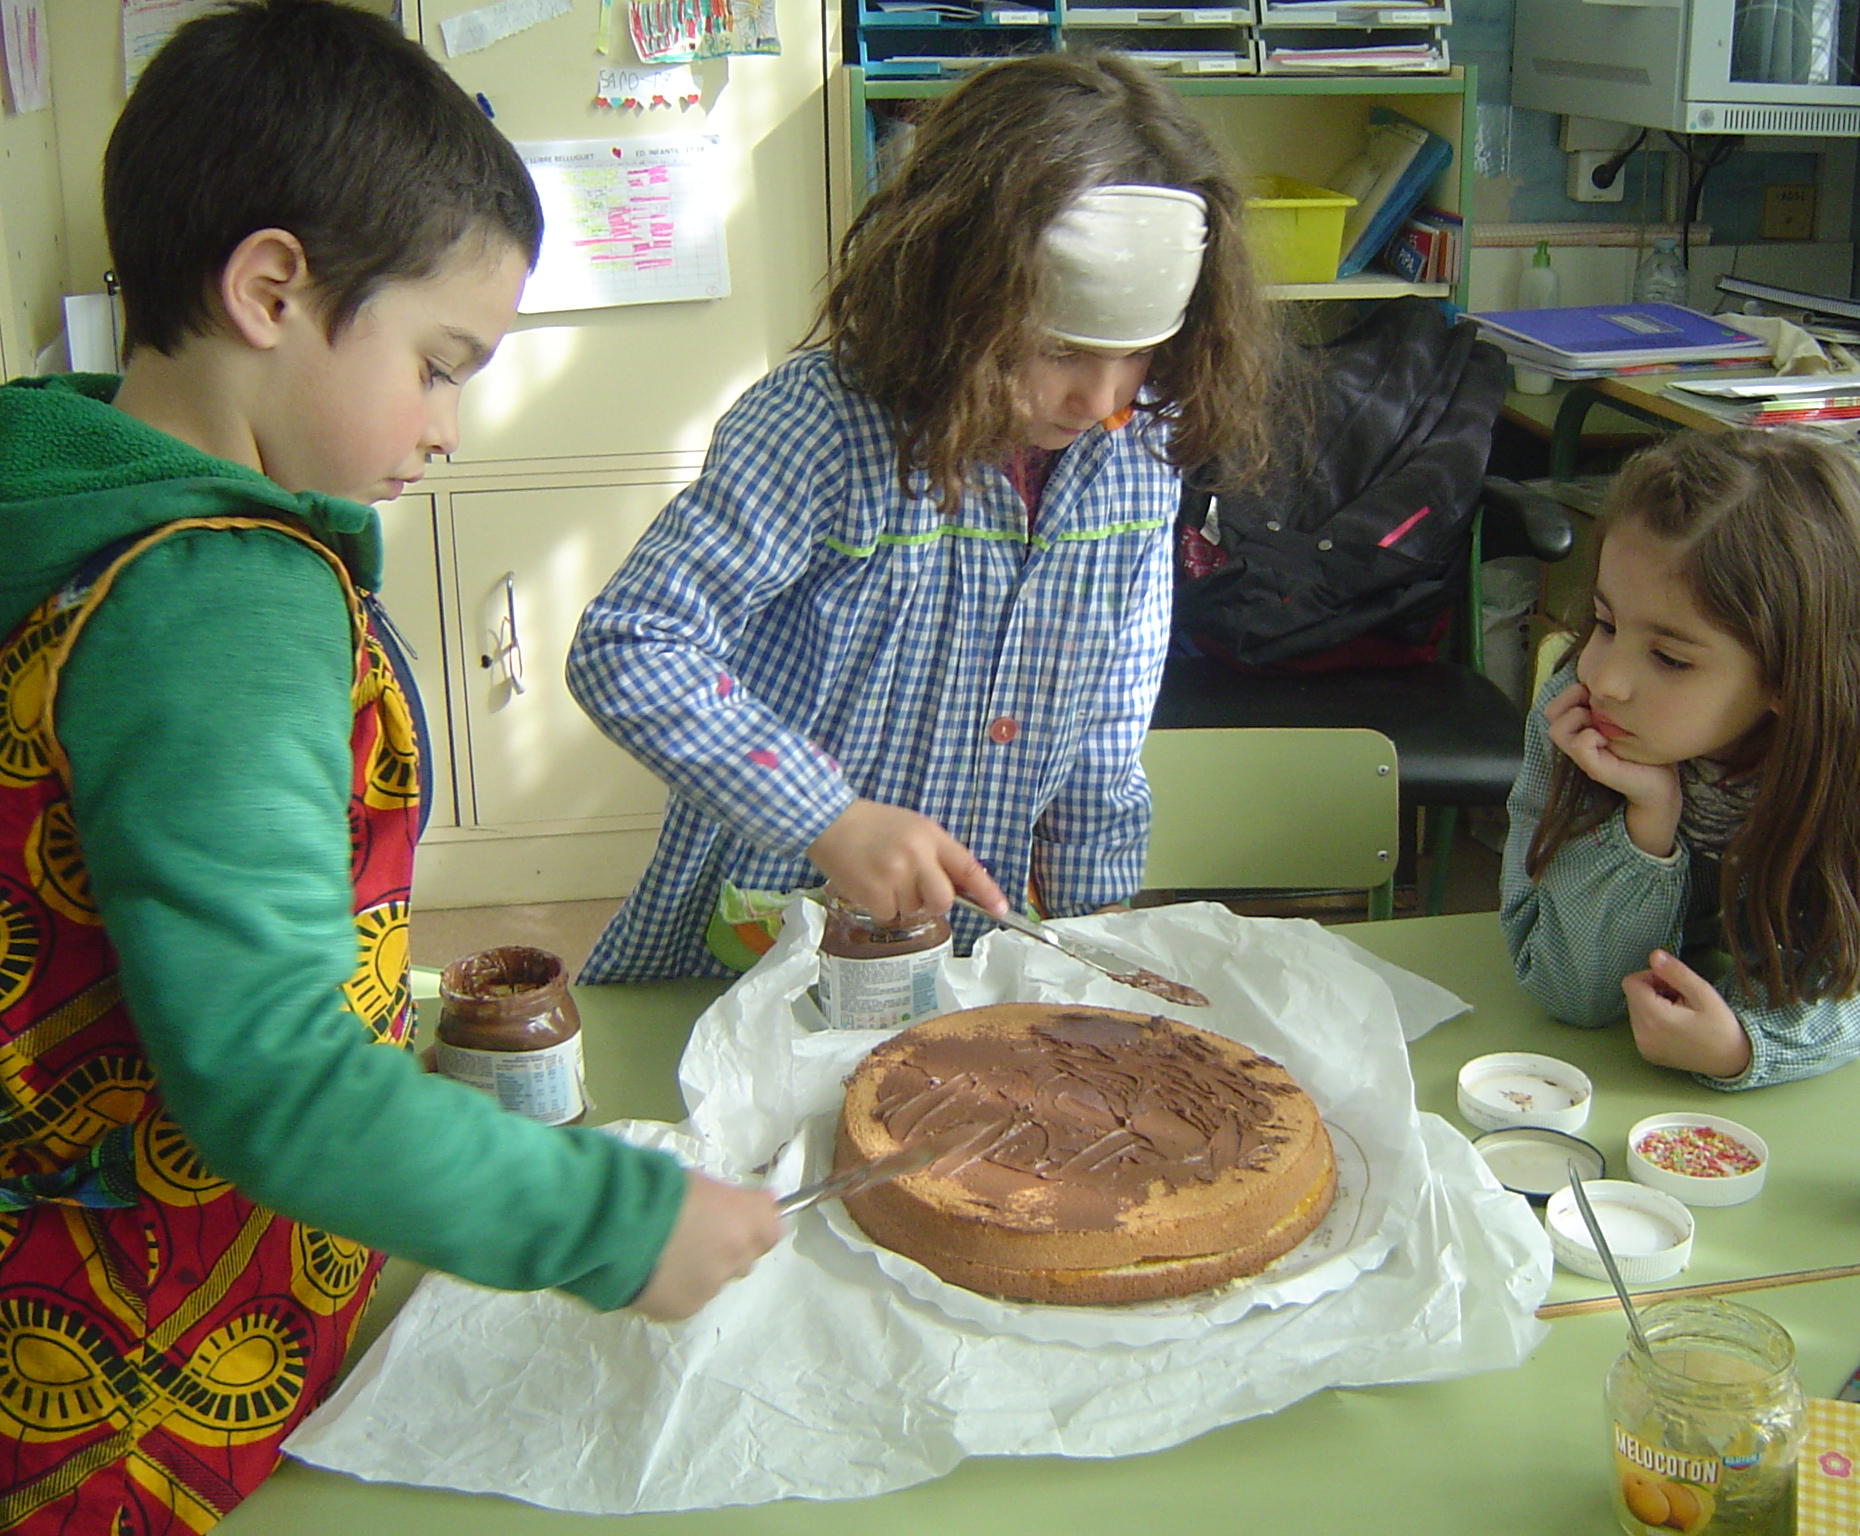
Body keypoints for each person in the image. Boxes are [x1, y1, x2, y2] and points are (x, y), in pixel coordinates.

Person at [0, 4, 778, 1526]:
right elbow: (271, 1078)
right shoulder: (216, 598)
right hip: (130, 1347)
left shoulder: (74, 489)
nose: (448, 428)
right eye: (437, 364)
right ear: (271, 291)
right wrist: (614, 1222)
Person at [567, 51, 1280, 980]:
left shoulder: (1136, 454)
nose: (1102, 397)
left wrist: (1096, 939)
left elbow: (1106, 734)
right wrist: (827, 816)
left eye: (1138, 354)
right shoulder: (822, 424)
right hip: (769, 941)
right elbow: (630, 642)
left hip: (971, 954)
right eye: (1061, 350)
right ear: (959, 299)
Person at [1500, 428, 1860, 1090]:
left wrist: (1746, 1046)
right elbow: (1570, 993)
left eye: (1669, 658)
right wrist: (1646, 827)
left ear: (1792, 676)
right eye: (1607, 622)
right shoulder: (1578, 719)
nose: (1604, 676)